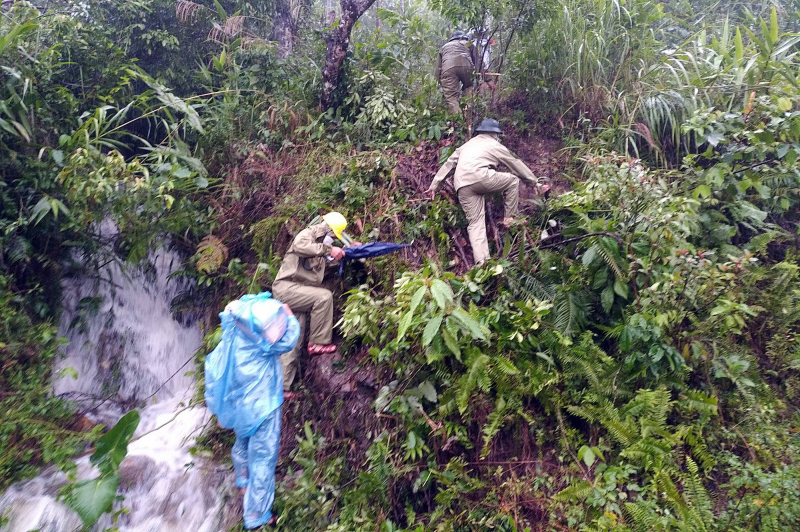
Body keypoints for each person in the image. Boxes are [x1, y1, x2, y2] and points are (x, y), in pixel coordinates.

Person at [204, 292, 301, 529]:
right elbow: (289, 340)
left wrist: (220, 408)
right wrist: (290, 316)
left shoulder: (233, 336)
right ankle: (257, 514)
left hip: (241, 406)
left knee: (242, 442)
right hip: (264, 405)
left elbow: (217, 372)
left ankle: (243, 481)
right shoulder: (263, 342)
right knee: (263, 458)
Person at [426, 118, 545, 265]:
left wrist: (434, 186)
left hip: (462, 185)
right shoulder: (494, 145)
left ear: (480, 131)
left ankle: (483, 264)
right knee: (513, 181)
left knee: (475, 224)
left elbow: (449, 164)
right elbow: (515, 163)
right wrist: (534, 183)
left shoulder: (466, 145)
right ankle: (510, 218)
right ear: (495, 134)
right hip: (480, 177)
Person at [271, 212, 347, 396]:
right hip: (286, 288)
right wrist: (329, 249)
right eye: (332, 236)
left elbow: (325, 264)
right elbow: (300, 245)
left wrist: (347, 252)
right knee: (324, 297)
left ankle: (283, 388)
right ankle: (318, 342)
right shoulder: (308, 235)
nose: (332, 240)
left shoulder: (319, 249)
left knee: (294, 337)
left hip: (298, 293)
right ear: (327, 229)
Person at [435, 30, 478, 115]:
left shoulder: (444, 47)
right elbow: (478, 61)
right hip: (467, 66)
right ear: (464, 37)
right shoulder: (469, 44)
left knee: (451, 97)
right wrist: (487, 79)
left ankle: (458, 119)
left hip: (448, 68)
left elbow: (438, 67)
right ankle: (468, 116)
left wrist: (440, 82)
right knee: (469, 88)